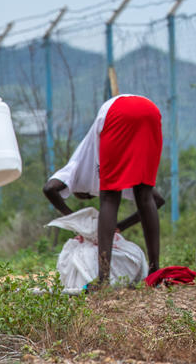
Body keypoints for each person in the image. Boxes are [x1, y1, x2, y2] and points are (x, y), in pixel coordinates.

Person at [43, 93, 163, 285]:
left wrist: (77, 222)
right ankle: (155, 271)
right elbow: (157, 201)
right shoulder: (122, 170)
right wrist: (119, 227)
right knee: (145, 195)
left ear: (82, 191)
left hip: (117, 112)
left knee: (109, 198)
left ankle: (103, 279)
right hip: (150, 110)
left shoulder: (77, 166)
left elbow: (49, 188)